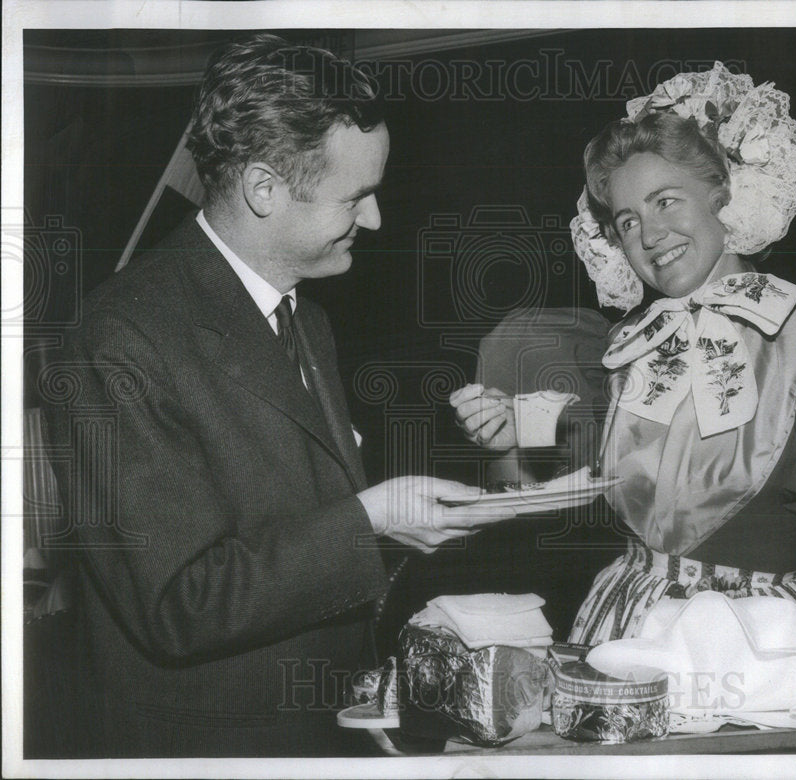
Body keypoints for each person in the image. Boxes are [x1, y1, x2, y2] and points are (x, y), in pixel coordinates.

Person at [40, 34, 516, 758]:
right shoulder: (119, 340)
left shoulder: (306, 317)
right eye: (356, 197)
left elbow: (289, 527)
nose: (378, 219)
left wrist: (388, 524)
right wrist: (368, 519)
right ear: (264, 189)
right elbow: (179, 605)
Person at [452, 63, 796, 660]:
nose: (650, 235)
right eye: (628, 221)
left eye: (666, 201)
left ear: (725, 197)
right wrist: (504, 439)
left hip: (755, 641)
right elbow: (521, 502)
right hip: (626, 627)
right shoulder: (614, 356)